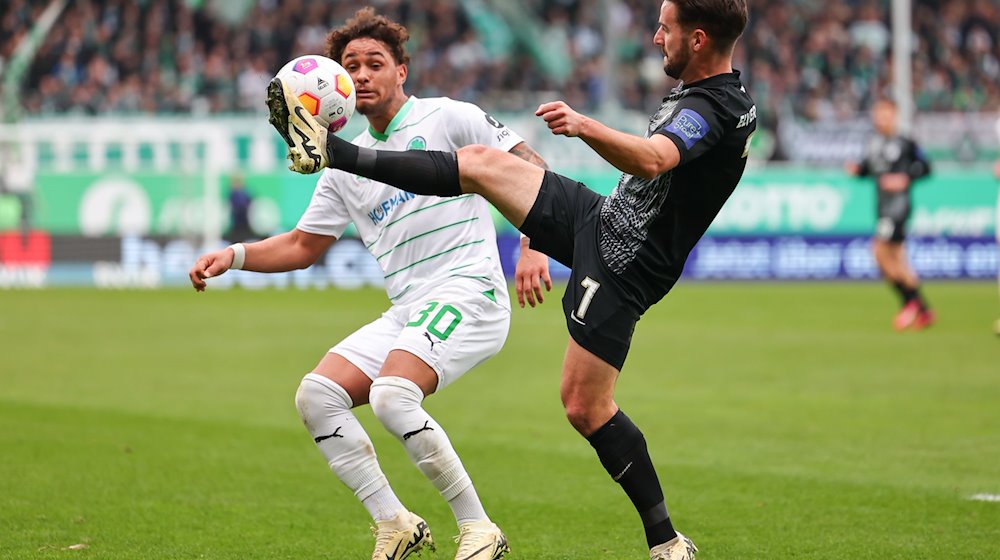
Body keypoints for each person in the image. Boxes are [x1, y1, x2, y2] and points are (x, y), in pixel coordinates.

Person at [267, 1, 753, 558]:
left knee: (584, 407)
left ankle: (666, 542)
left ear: (696, 39)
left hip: (627, 265)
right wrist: (533, 245)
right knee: (476, 161)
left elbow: (652, 160)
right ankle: (338, 151)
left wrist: (583, 124)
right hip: (598, 219)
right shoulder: (703, 90)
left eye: (664, 28)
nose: (653, 37)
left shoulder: (715, 106)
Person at [190, 8, 552, 560]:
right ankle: (395, 522)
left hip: (470, 289)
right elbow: (302, 246)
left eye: (374, 64)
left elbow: (530, 165)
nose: (361, 75)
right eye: (350, 66)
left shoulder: (448, 116)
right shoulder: (340, 164)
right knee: (318, 396)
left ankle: (480, 530)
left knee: (391, 395)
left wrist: (533, 246)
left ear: (401, 71)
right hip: (410, 307)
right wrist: (234, 255)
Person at [846, 98, 933, 330]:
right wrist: (858, 171)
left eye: (885, 114)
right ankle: (922, 310)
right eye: (878, 114)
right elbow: (869, 169)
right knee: (897, 259)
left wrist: (905, 178)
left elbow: (925, 167)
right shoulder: (873, 142)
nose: (881, 119)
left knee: (880, 252)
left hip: (898, 207)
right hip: (882, 207)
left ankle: (910, 303)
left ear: (894, 115)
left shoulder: (905, 142)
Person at [226, 174, 253, 243]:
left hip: (242, 225)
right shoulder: (233, 193)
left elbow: (242, 207)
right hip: (238, 225)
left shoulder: (243, 193)